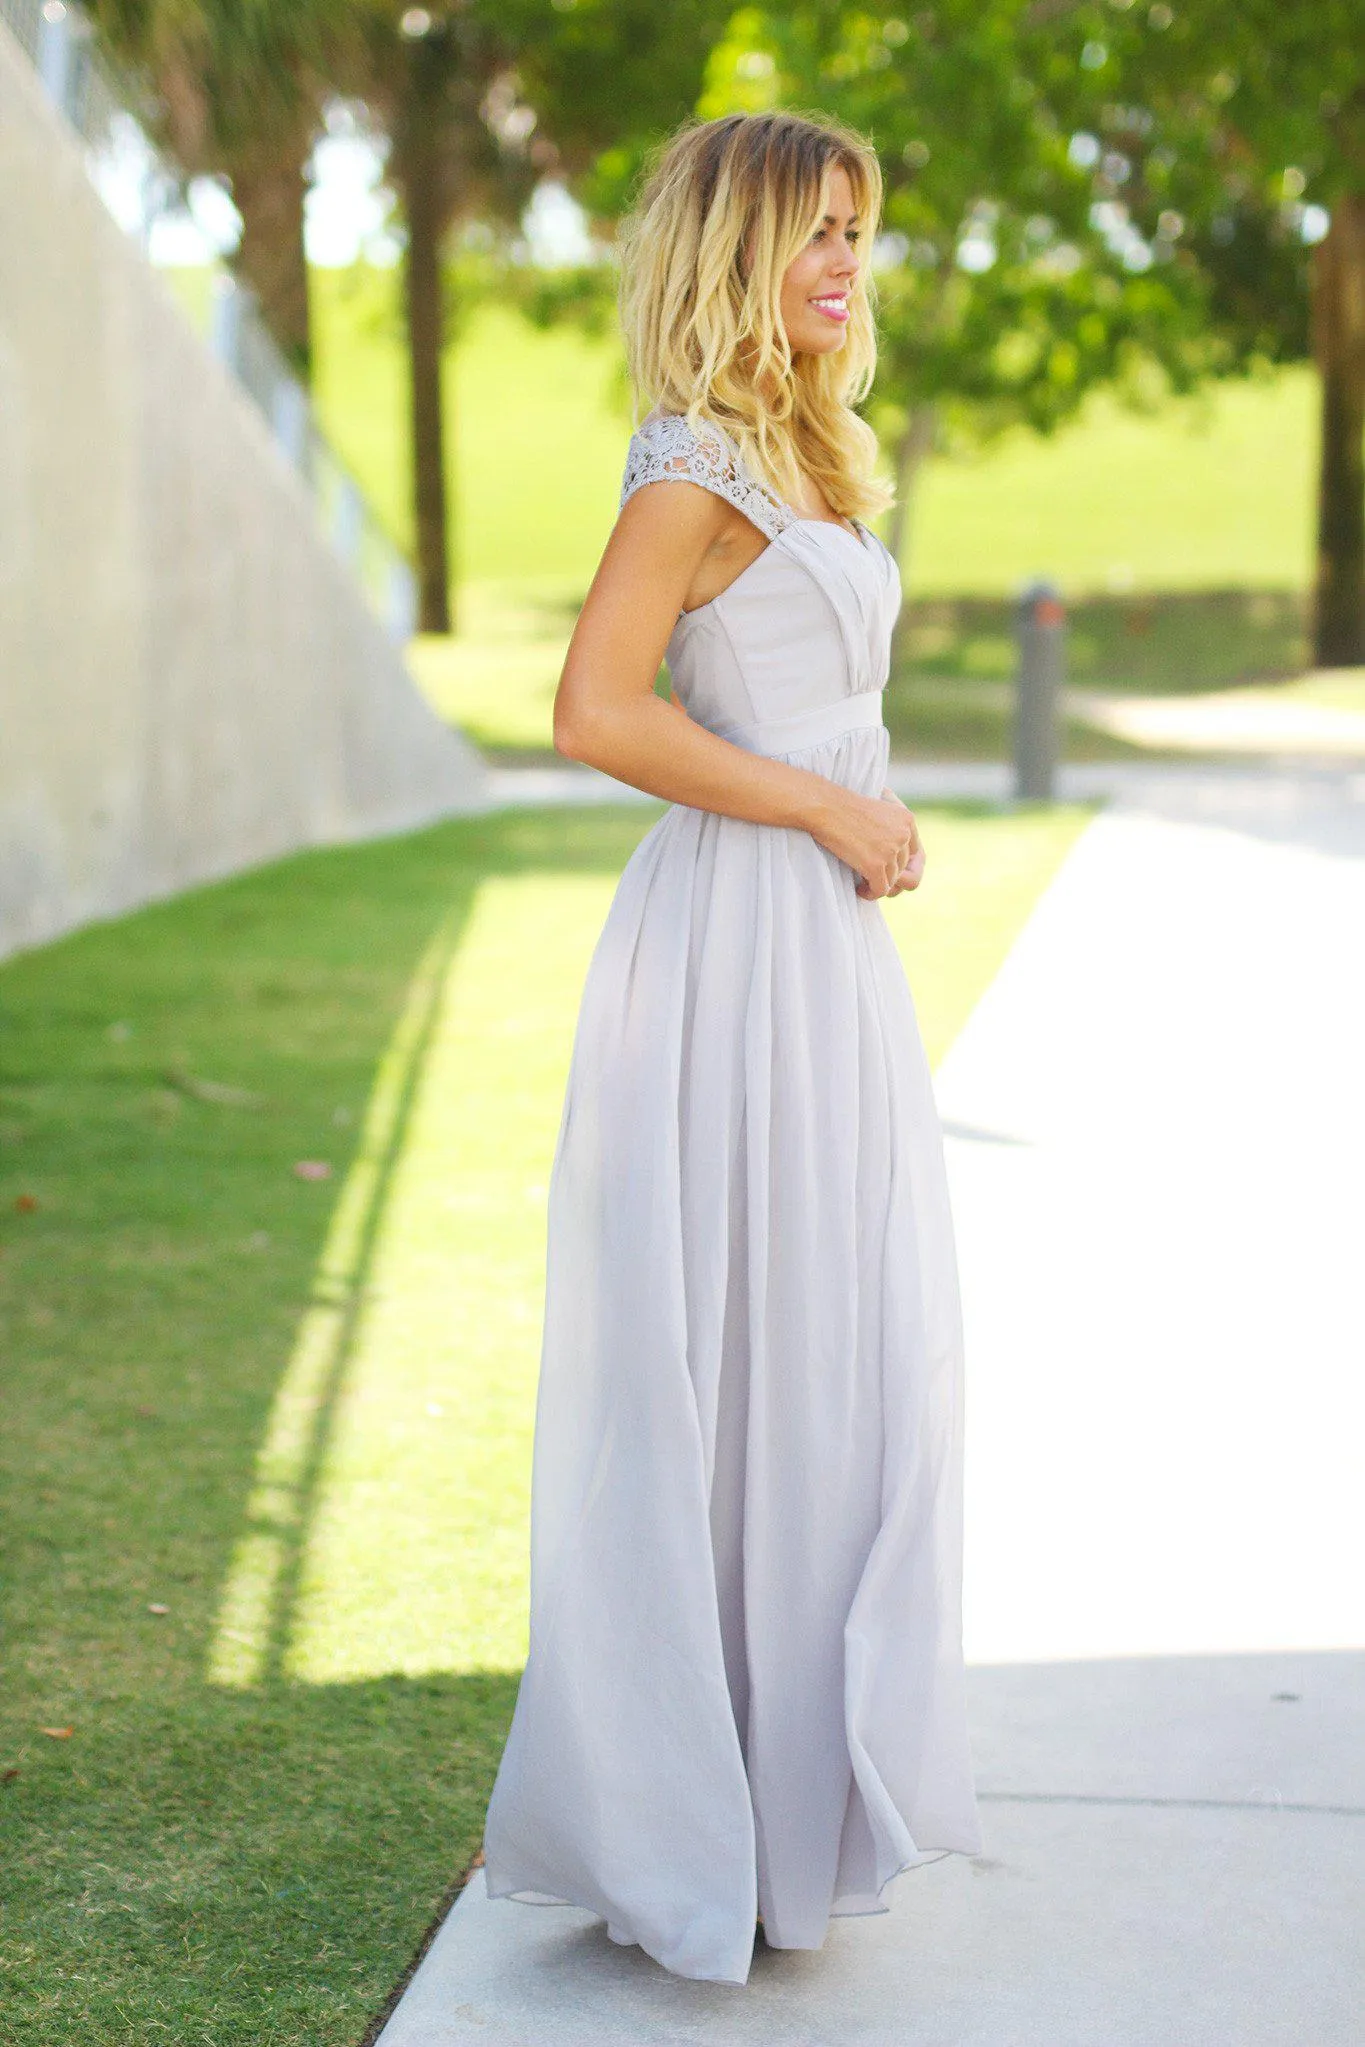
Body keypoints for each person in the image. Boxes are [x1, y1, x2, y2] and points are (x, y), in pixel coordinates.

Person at [481, 108, 983, 1988]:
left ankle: (798, 1817)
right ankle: (700, 1823)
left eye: (859, 228)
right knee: (737, 1355)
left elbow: (809, 687)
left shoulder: (812, 446)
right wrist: (825, 811)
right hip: (734, 946)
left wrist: (860, 803)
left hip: (821, 953)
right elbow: (596, 707)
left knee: (831, 1353)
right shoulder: (694, 456)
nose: (845, 264)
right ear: (733, 250)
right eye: (809, 233)